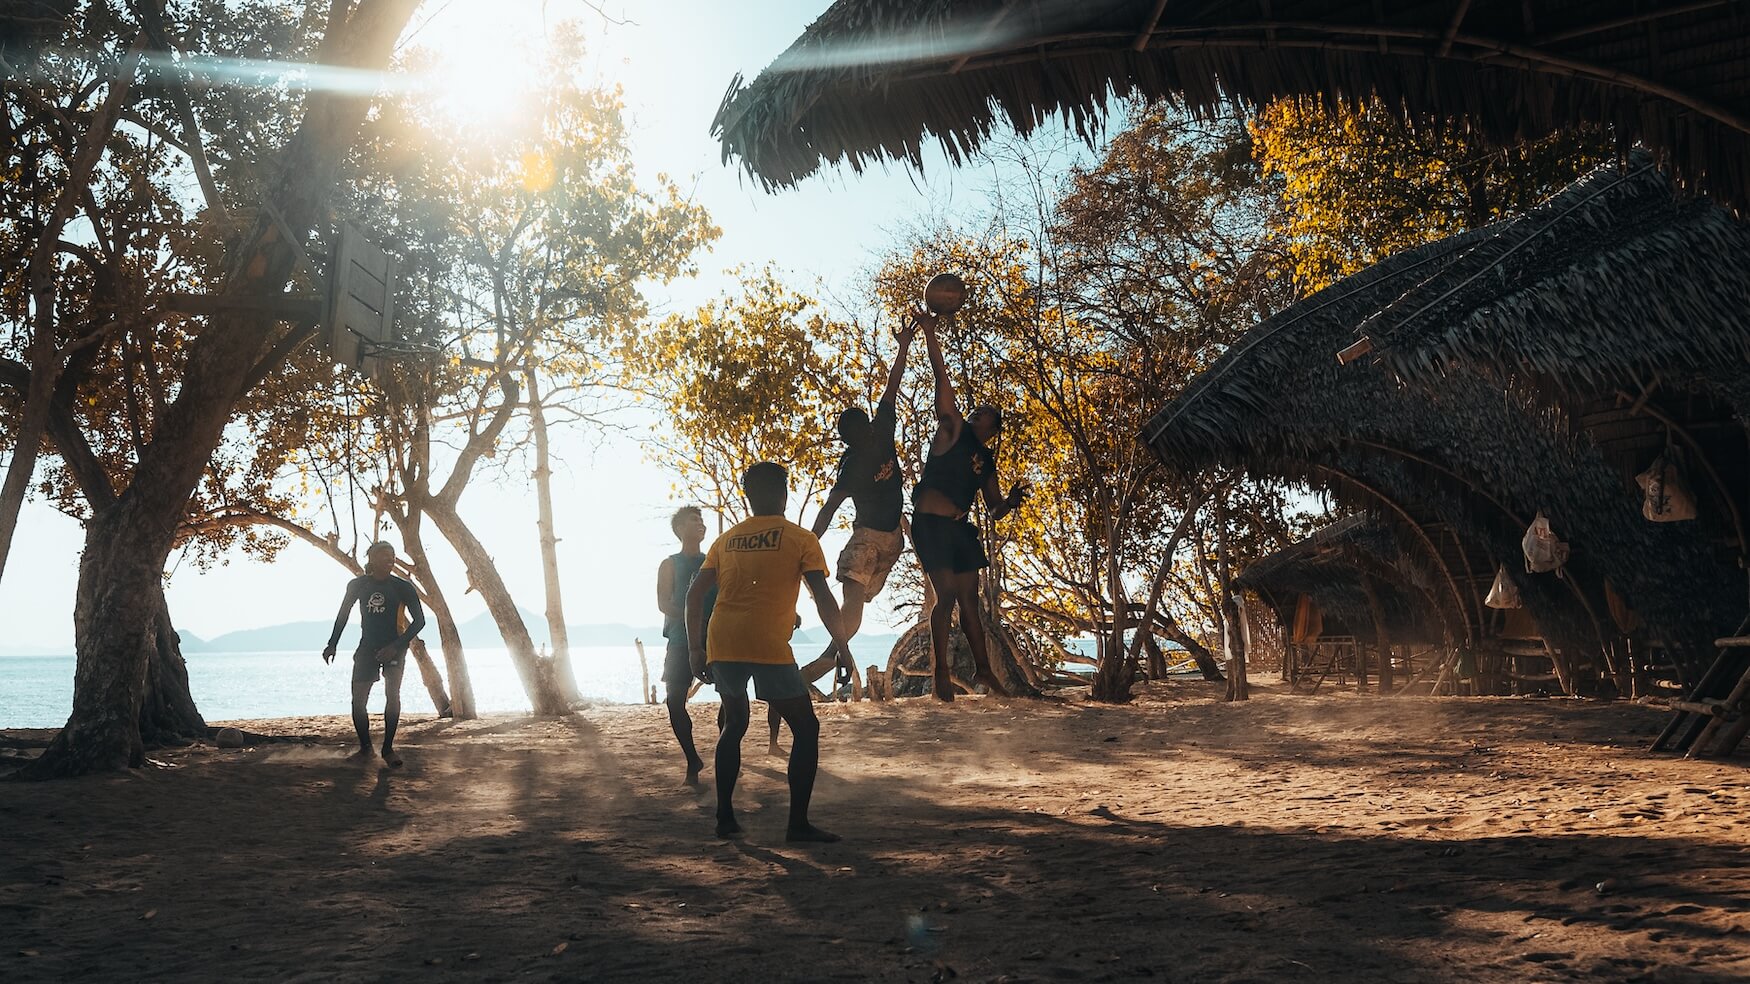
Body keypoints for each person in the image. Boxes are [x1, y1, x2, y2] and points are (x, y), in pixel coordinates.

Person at [686, 462, 853, 843]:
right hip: (766, 642)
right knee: (806, 727)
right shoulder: (800, 538)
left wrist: (696, 648)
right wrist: (842, 645)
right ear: (784, 494)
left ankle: (725, 817)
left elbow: (694, 596)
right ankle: (797, 825)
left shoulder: (725, 540)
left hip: (723, 638)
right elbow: (823, 597)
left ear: (748, 496)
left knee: (735, 724)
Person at [910, 308, 1029, 701]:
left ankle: (984, 672)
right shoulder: (952, 431)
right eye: (975, 411)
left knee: (970, 606)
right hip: (930, 525)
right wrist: (930, 333)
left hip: (961, 530)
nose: (976, 415)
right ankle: (940, 673)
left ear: (992, 431)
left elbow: (993, 508)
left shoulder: (987, 460)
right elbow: (941, 380)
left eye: (985, 416)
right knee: (944, 596)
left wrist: (1010, 500)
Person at [800, 317, 918, 700]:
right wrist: (805, 541)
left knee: (854, 608)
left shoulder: (878, 435)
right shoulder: (856, 459)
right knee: (853, 607)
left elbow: (893, 385)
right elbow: (831, 507)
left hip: (888, 541)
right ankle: (824, 663)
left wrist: (903, 345)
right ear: (853, 438)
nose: (866, 432)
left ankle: (829, 660)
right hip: (874, 539)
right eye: (859, 432)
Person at [323, 541, 425, 766]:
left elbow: (419, 621)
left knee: (392, 695)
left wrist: (395, 646)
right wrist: (332, 644)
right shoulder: (357, 585)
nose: (389, 559)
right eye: (384, 555)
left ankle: (388, 750)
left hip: (395, 646)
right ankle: (366, 749)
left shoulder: (403, 587)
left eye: (392, 556)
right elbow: (343, 615)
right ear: (372, 559)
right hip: (367, 647)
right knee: (358, 701)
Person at [656, 506, 711, 784]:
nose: (701, 524)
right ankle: (693, 759)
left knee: (732, 698)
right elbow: (664, 603)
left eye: (702, 520)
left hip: (714, 639)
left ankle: (729, 754)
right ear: (680, 529)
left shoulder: (712, 561)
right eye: (694, 520)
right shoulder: (670, 564)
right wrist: (693, 619)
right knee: (675, 703)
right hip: (679, 642)